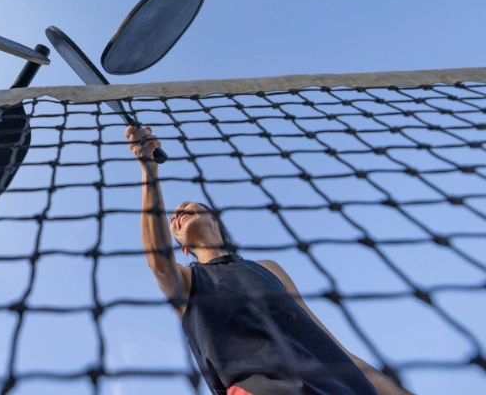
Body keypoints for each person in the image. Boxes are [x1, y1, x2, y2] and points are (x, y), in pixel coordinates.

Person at [125, 126, 415, 395]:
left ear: (214, 217)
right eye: (172, 220)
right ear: (184, 249)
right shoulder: (188, 281)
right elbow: (159, 262)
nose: (177, 213)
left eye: (187, 206)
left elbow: (327, 342)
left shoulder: (268, 268)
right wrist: (149, 169)